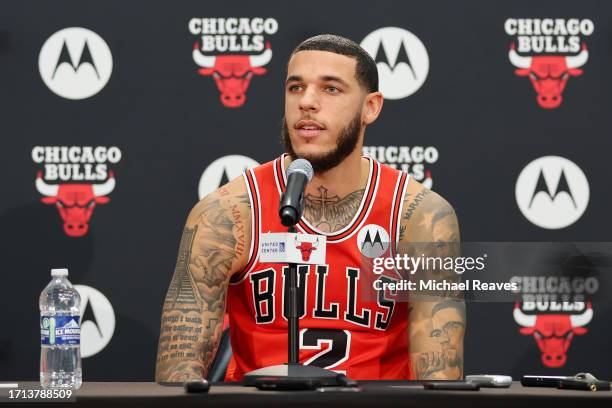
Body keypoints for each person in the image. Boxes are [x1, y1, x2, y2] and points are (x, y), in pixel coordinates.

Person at [155, 34, 464, 382]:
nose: (307, 102)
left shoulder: (418, 216)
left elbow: (438, 379)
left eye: (331, 89)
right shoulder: (229, 213)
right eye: (296, 88)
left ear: (371, 107)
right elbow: (178, 375)